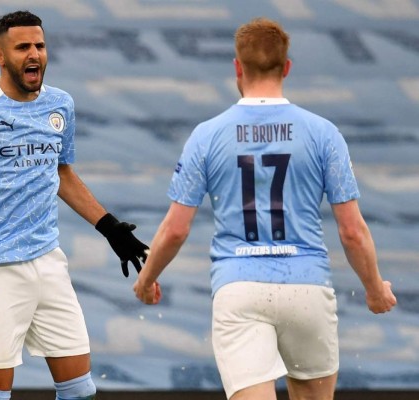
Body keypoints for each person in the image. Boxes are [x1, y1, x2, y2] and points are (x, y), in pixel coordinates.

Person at [133, 17, 397, 400]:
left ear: (237, 67)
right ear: (287, 67)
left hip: (239, 287)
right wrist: (374, 289)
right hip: (307, 286)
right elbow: (352, 231)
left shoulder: (207, 135)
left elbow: (175, 230)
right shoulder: (323, 133)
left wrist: (146, 279)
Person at [0, 10, 148, 400]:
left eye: (40, 46)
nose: (34, 54)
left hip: (47, 263)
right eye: (23, 46)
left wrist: (109, 227)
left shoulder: (60, 105)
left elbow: (62, 175)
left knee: (80, 390)